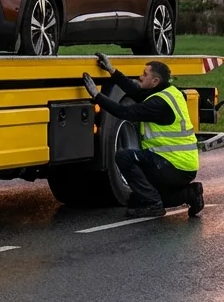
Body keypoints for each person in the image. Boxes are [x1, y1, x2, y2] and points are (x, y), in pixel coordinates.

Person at [83, 52, 205, 219]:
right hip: (182, 166)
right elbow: (136, 92)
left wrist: (97, 96)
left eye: (144, 74)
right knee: (135, 200)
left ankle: (152, 204)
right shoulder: (169, 92)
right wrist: (112, 71)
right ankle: (190, 194)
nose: (140, 77)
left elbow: (124, 111)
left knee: (124, 157)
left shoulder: (158, 104)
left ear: (155, 81)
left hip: (172, 165)